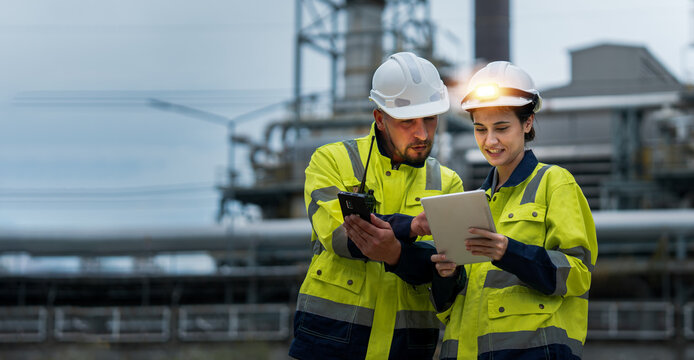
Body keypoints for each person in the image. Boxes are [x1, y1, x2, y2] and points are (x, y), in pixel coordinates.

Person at [347, 61, 598, 359]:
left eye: (501, 128)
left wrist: (508, 252)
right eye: (481, 129)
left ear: (527, 123)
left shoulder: (554, 183)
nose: (490, 141)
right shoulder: (470, 203)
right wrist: (446, 276)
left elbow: (578, 275)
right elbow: (450, 308)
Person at [288, 52, 464, 360]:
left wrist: (396, 254)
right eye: (407, 121)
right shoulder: (332, 161)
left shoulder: (448, 183)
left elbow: (447, 271)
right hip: (330, 343)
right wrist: (410, 228)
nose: (422, 134)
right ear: (380, 118)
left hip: (406, 348)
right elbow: (341, 236)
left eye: (430, 119)